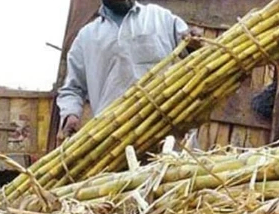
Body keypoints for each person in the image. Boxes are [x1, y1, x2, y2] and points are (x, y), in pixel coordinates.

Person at [57, 0, 192, 139]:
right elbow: (72, 89)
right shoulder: (86, 37)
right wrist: (70, 114)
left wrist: (194, 41)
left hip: (164, 130)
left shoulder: (160, 18)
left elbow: (191, 46)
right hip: (111, 136)